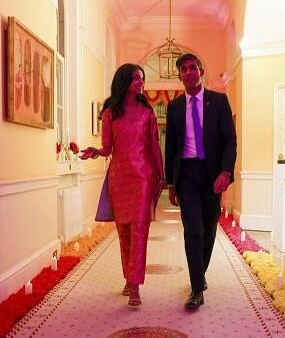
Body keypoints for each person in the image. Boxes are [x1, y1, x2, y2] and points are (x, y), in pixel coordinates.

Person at [80, 63, 165, 308]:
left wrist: (161, 176)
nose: (141, 82)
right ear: (124, 81)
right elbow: (108, 148)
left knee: (139, 231)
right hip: (119, 178)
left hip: (142, 178)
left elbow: (153, 148)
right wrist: (96, 151)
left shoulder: (147, 113)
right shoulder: (110, 113)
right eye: (136, 78)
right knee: (124, 232)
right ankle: (129, 278)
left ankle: (136, 284)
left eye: (142, 78)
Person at [165, 53, 237, 310]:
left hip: (212, 176)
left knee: (208, 230)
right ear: (179, 76)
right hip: (186, 174)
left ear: (201, 70)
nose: (188, 73)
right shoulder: (174, 107)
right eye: (183, 70)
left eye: (192, 68)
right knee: (192, 231)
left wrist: (226, 172)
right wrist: (171, 184)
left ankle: (200, 274)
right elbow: (171, 146)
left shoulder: (218, 102)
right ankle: (196, 287)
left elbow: (230, 140)